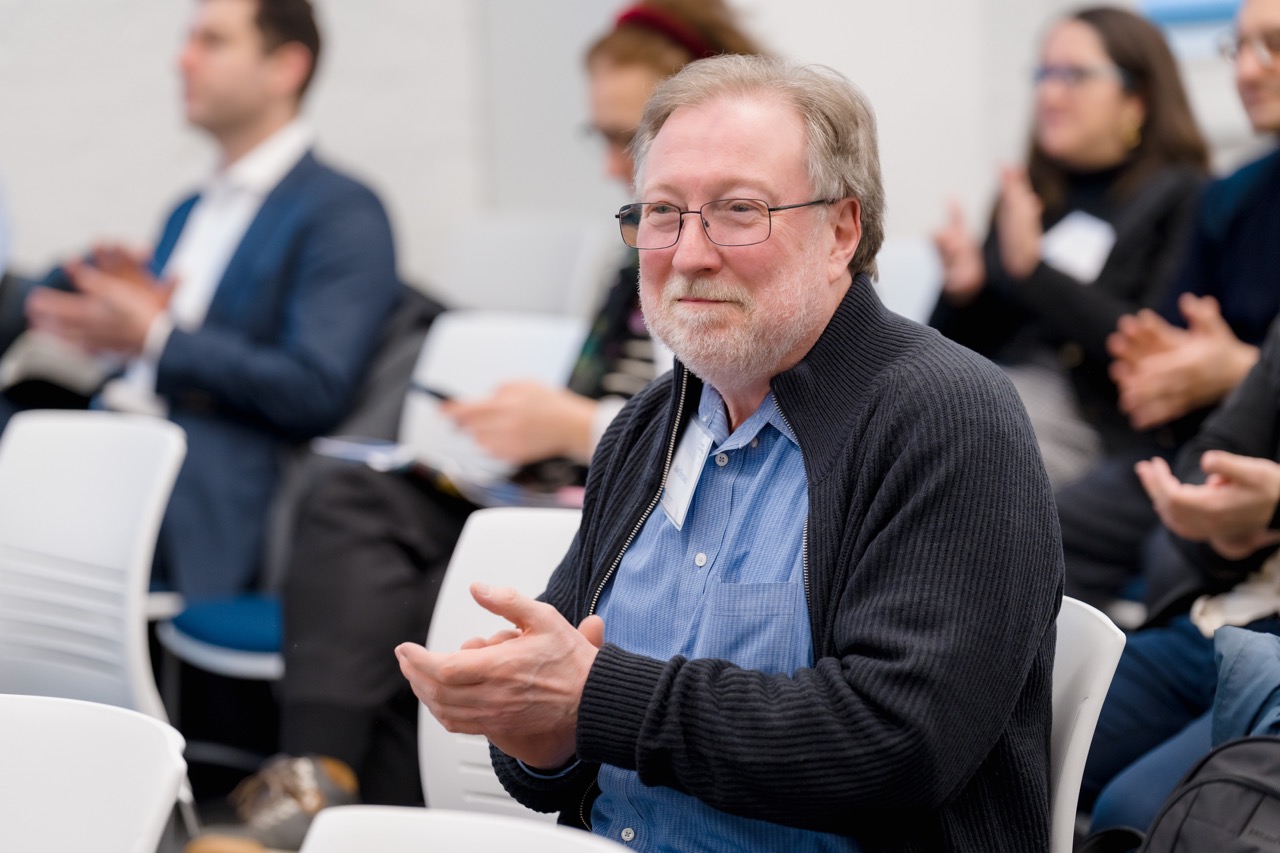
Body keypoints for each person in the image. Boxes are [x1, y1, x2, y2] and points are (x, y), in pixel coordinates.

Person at [400, 54, 1062, 851]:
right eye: (663, 212)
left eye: (739, 210)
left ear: (841, 232)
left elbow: (897, 743)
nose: (688, 254)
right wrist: (538, 731)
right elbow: (569, 732)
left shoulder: (945, 414)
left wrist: (597, 698)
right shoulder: (649, 428)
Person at [183, 4, 765, 852]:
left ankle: (336, 801)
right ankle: (320, 781)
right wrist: (537, 422)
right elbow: (631, 402)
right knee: (358, 496)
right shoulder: (633, 251)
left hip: (630, 507)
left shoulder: (724, 259)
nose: (614, 166)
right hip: (571, 482)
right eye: (605, 138)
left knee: (417, 586)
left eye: (630, 138)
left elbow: (730, 429)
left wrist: (570, 420)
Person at [18, 0, 401, 602]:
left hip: (204, 490)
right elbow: (161, 349)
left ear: (286, 67)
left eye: (212, 42)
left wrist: (156, 337)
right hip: (115, 451)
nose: (182, 59)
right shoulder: (187, 209)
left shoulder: (342, 211)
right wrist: (111, 332)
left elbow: (315, 387)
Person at [1058, 0, 1280, 614]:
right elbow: (1159, 334)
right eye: (1239, 49)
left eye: (1273, 46)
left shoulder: (1177, 190)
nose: (1248, 71)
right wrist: (1161, 367)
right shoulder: (1232, 197)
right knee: (1036, 527)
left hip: (1251, 459)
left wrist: (1238, 368)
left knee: (1169, 554)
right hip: (1194, 446)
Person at [930, 6, 1208, 489]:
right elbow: (951, 355)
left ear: (1136, 98)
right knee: (908, 413)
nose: (1050, 93)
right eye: (1044, 73)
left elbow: (1150, 345)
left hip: (1092, 426)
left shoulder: (1183, 196)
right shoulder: (1028, 195)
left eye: (1074, 75)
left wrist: (1034, 273)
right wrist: (963, 292)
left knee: (962, 438)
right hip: (995, 393)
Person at [1080, 312, 1280, 834]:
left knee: (1134, 816)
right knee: (1001, 735)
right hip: (1219, 617)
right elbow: (1211, 456)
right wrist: (1223, 529)